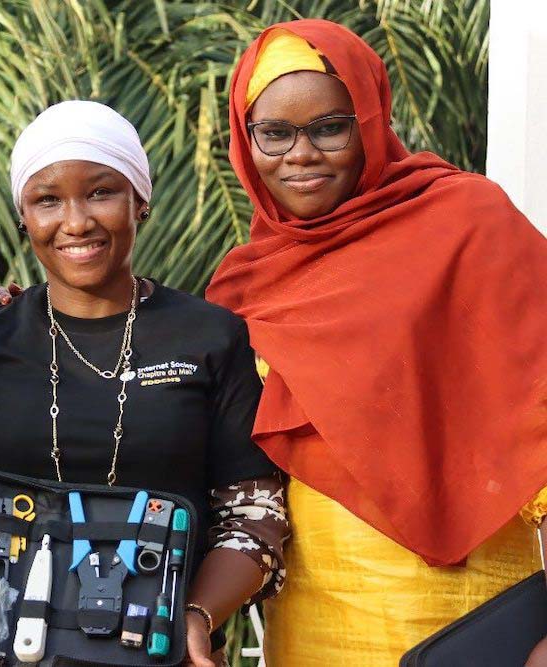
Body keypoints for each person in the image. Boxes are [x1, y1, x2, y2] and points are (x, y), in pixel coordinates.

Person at [0, 100, 290, 667]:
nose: (76, 221)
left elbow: (254, 517)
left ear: (140, 201)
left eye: (101, 192)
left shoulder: (211, 336)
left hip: (163, 651)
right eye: (48, 200)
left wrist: (196, 619)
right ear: (22, 216)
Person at [204, 19, 547, 666]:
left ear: (369, 119)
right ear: (245, 143)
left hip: (477, 629)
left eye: (329, 127)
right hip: (311, 637)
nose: (300, 155)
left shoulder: (469, 225)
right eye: (274, 133)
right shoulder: (241, 285)